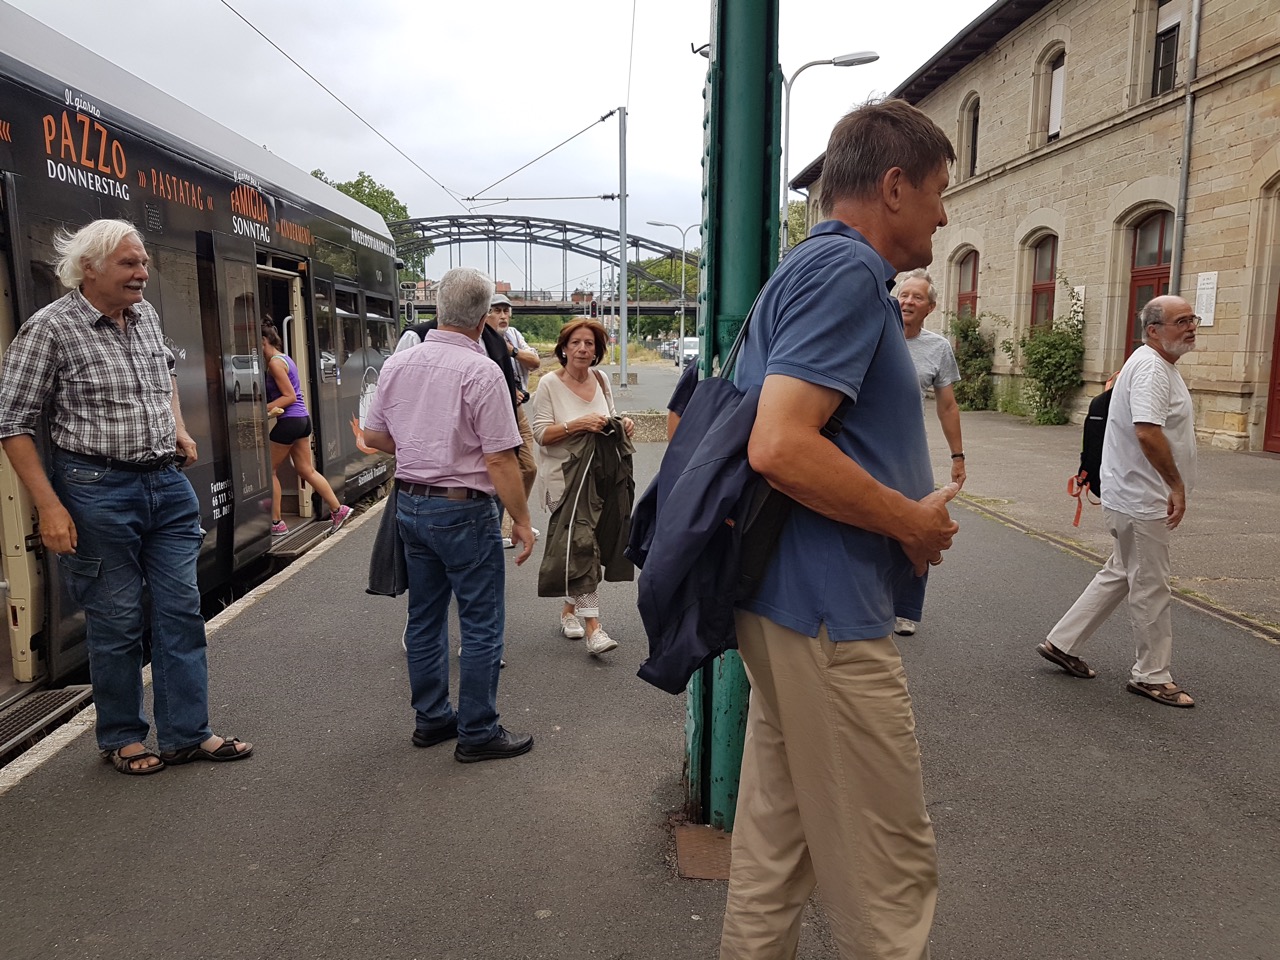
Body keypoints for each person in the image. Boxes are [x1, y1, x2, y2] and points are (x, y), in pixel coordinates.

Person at [718, 99, 959, 960]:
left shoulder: (810, 266)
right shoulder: (849, 274)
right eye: (937, 191)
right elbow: (781, 443)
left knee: (775, 858)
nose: (942, 212)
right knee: (886, 879)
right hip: (827, 617)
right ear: (893, 187)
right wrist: (910, 525)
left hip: (791, 606)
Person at [0, 219, 251, 775]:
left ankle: (188, 733)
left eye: (142, 262)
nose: (143, 273)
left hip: (164, 482)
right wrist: (49, 506)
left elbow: (162, 380)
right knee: (114, 620)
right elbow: (11, 423)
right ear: (89, 268)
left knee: (181, 611)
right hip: (96, 489)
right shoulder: (51, 329)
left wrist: (180, 431)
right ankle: (122, 737)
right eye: (129, 264)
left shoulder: (145, 316)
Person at [361, 267, 535, 762]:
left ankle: (432, 719)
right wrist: (520, 520)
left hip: (410, 506)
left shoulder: (399, 365)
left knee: (425, 617)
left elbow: (374, 438)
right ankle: (478, 730)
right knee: (481, 623)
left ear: (438, 311)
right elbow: (501, 458)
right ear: (483, 321)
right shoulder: (482, 372)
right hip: (464, 511)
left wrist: (422, 448)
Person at [1037, 295, 1199, 708]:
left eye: (1192, 318)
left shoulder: (1154, 364)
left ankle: (1061, 642)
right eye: (1181, 321)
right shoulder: (1149, 368)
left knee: (1122, 571)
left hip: (1132, 494)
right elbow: (1147, 432)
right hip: (1142, 499)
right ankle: (1151, 675)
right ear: (1153, 330)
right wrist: (1175, 486)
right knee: (1150, 585)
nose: (1191, 326)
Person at [528, 318, 635, 657]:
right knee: (582, 544)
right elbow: (541, 433)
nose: (582, 349)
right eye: (576, 342)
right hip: (564, 478)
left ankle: (568, 611)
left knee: (589, 546)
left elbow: (611, 418)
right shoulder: (548, 383)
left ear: (598, 351)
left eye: (590, 343)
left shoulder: (601, 379)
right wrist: (576, 425)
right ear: (563, 347)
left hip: (600, 476)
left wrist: (624, 424)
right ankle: (594, 629)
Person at [894, 267, 965, 637]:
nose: (908, 301)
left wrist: (957, 456)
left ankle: (905, 608)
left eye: (917, 297)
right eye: (904, 294)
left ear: (930, 307)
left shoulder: (937, 347)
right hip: (862, 446)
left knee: (919, 524)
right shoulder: (876, 333)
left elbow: (947, 406)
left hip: (908, 449)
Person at [261, 319, 352, 536]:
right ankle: (338, 509)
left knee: (269, 470)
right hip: (302, 420)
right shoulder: (286, 358)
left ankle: (276, 523)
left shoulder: (274, 362)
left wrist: (262, 410)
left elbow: (289, 396)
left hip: (289, 422)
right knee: (305, 470)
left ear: (264, 340)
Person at [485, 294, 540, 547]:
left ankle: (512, 522)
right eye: (497, 310)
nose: (503, 316)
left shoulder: (514, 335)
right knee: (495, 471)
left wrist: (512, 351)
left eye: (506, 310)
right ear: (485, 314)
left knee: (528, 468)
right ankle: (496, 528)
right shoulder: (480, 337)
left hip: (517, 413)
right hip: (494, 412)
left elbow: (535, 361)